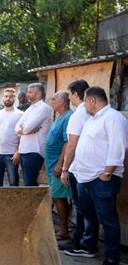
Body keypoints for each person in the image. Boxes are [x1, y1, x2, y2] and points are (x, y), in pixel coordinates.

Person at [63, 87, 126, 265]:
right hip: (85, 178)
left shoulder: (113, 118)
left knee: (109, 220)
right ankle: (89, 248)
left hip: (102, 178)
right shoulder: (92, 119)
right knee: (89, 215)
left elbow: (119, 146)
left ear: (92, 100)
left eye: (85, 102)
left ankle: (112, 259)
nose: (84, 106)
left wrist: (107, 172)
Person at [60, 79, 99, 252]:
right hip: (89, 167)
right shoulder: (92, 113)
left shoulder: (79, 114)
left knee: (82, 207)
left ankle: (82, 243)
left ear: (76, 94)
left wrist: (65, 169)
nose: (70, 99)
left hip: (78, 168)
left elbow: (71, 145)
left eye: (70, 95)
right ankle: (82, 242)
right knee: (85, 208)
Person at [45, 91, 73, 240]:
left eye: (54, 99)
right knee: (56, 197)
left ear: (62, 101)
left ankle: (64, 230)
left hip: (57, 165)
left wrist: (60, 164)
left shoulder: (69, 117)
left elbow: (67, 142)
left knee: (59, 197)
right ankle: (62, 228)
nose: (51, 101)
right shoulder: (60, 117)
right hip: (51, 165)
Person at [15, 83, 52, 186]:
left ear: (38, 94)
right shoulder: (31, 108)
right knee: (27, 183)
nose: (27, 94)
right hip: (24, 149)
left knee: (30, 184)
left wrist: (24, 130)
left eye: (30, 92)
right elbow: (17, 126)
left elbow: (27, 127)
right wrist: (24, 130)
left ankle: (34, 203)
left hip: (34, 150)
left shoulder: (44, 108)